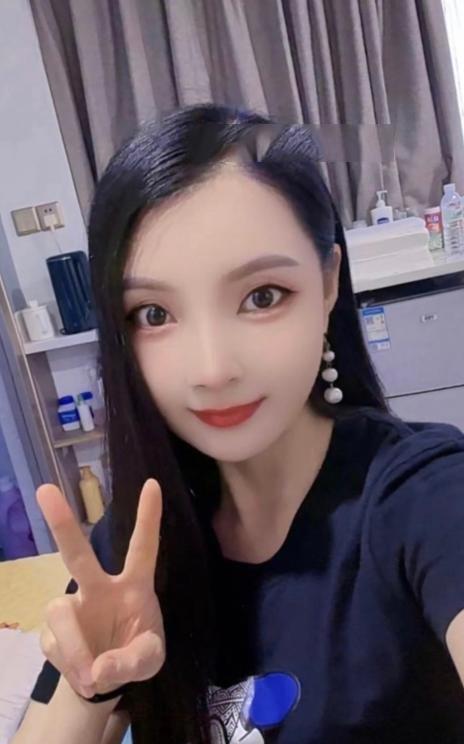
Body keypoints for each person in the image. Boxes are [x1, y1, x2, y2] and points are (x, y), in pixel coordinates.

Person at [13, 104, 464, 744]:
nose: (212, 369)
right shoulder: (139, 540)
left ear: (328, 283)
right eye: (154, 314)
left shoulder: (424, 497)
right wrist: (95, 685)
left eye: (261, 297)